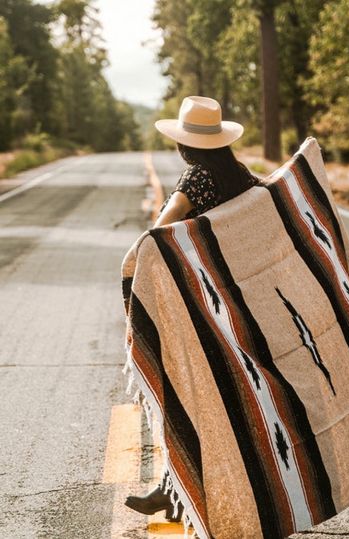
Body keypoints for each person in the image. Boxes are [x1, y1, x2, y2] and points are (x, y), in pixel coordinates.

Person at [124, 95, 261, 521]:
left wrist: (132, 266)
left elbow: (161, 230)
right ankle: (179, 491)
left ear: (186, 145)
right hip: (247, 309)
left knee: (195, 399)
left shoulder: (196, 179)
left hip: (205, 310)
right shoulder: (246, 180)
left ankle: (175, 490)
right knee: (243, 405)